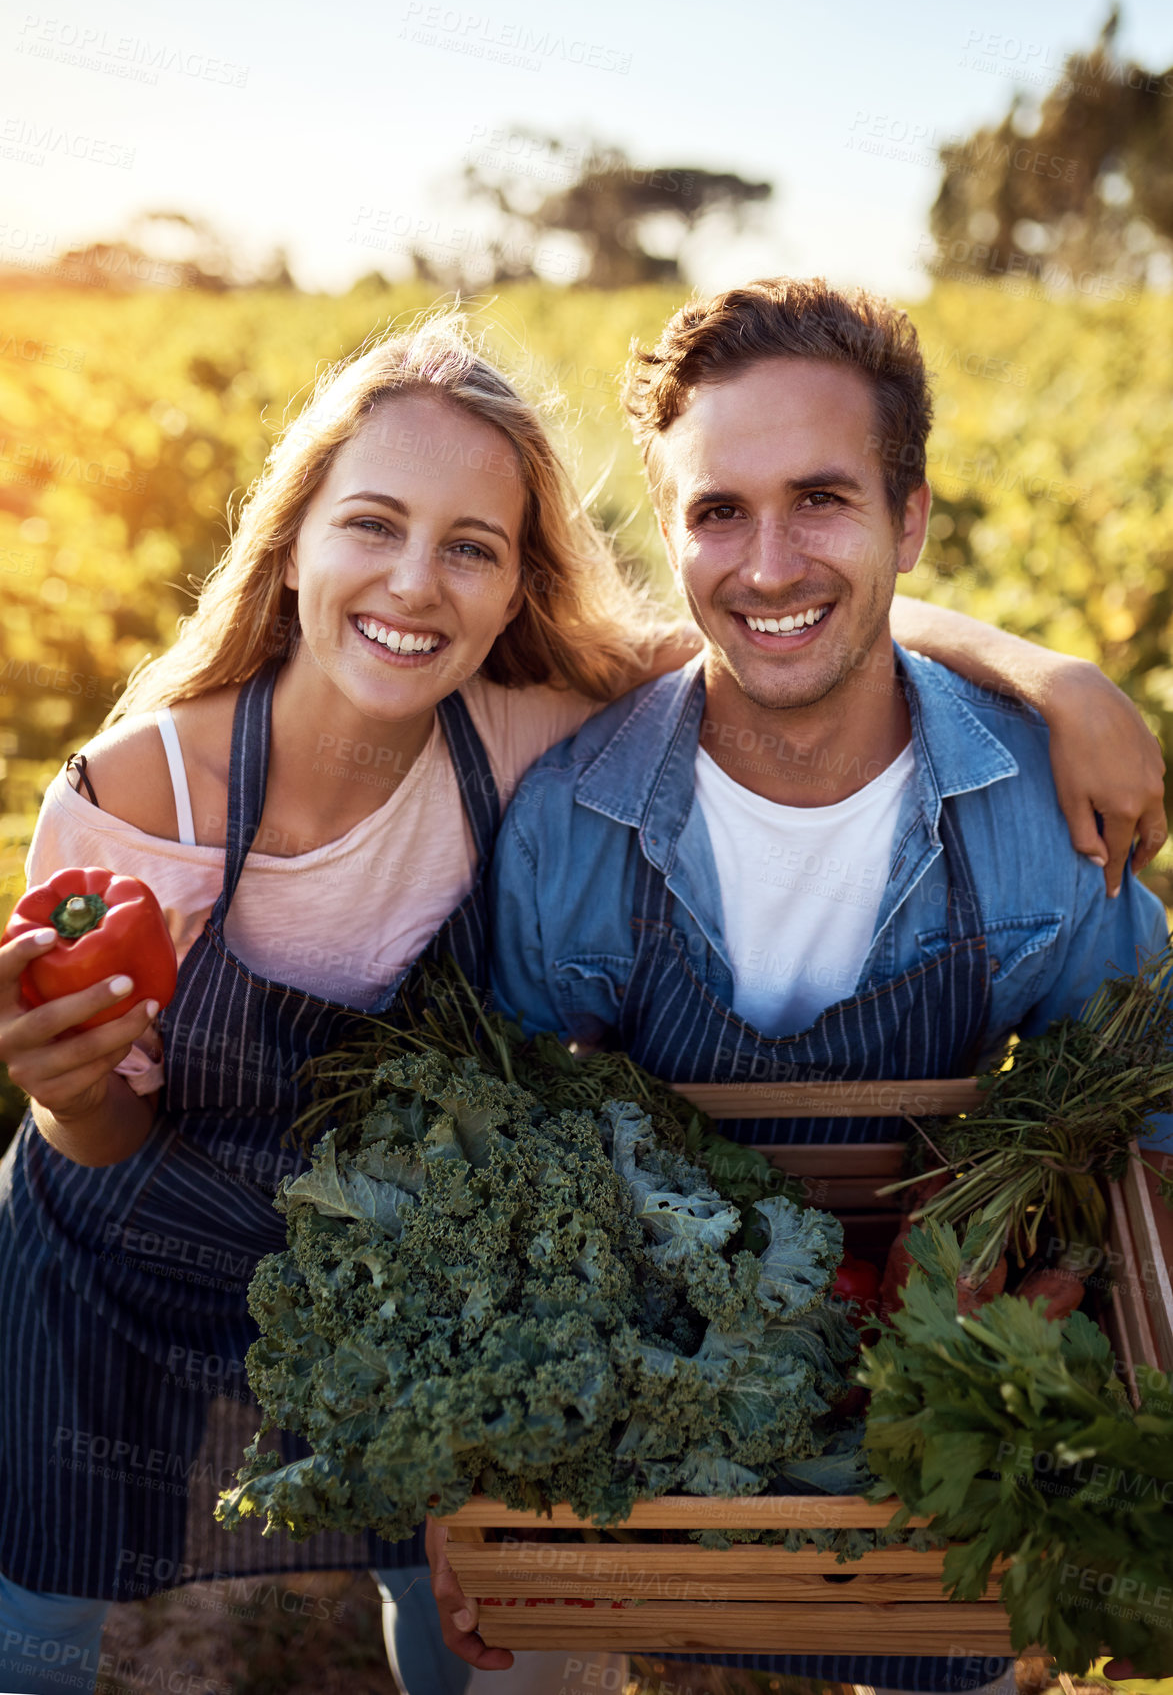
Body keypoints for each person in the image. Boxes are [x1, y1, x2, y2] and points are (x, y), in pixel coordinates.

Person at [0, 307, 1159, 1695]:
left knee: (444, 1585)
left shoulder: (537, 732)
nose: (416, 583)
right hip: (132, 1245)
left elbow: (780, 614)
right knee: (43, 1603)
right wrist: (69, 1100)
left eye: (471, 548)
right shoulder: (186, 796)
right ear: (293, 537)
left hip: (468, 1269)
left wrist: (1055, 676)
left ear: (512, 592)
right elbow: (151, 1132)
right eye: (370, 524)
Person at [426, 278, 1170, 1695]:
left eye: (820, 497)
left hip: (925, 1407)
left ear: (911, 521)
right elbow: (489, 1140)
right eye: (716, 510)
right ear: (671, 532)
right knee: (527, 1654)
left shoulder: (1032, 814)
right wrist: (479, 1471)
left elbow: (1155, 1077)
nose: (765, 563)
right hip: (637, 1426)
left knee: (951, 1643)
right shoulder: (577, 823)